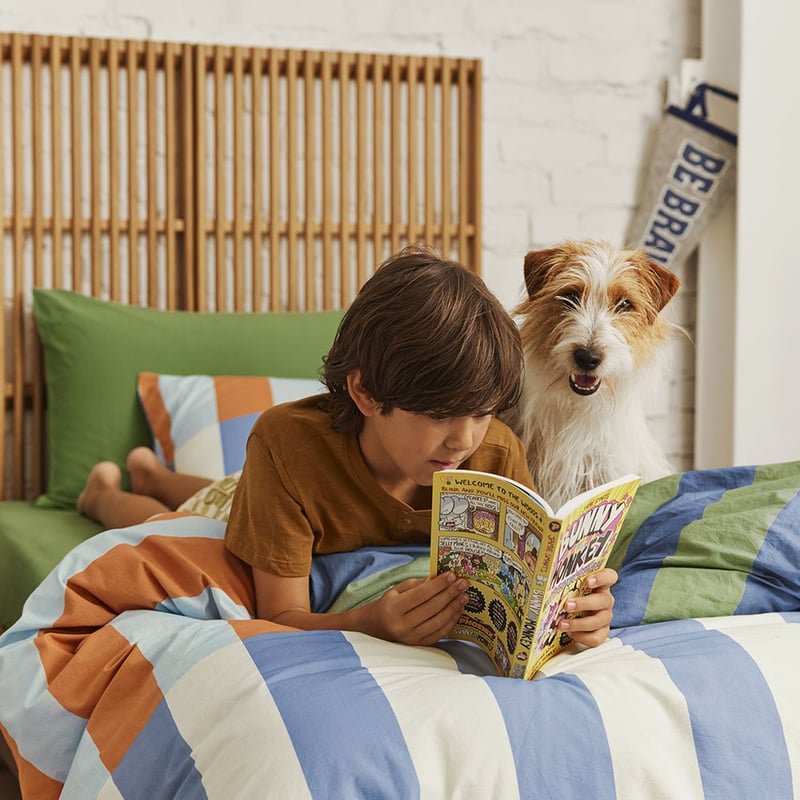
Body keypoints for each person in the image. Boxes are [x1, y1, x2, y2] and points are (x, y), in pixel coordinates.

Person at [78, 246, 617, 650]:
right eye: (436, 415)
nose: (464, 439)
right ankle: (109, 488)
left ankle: (151, 469)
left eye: (481, 412)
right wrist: (370, 623)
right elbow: (281, 618)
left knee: (211, 487)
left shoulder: (494, 452)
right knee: (174, 516)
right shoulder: (285, 446)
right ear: (364, 391)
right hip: (253, 496)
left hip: (273, 494)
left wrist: (575, 619)